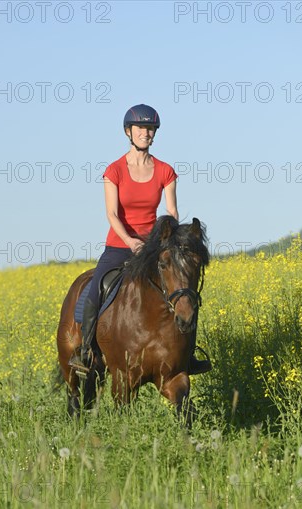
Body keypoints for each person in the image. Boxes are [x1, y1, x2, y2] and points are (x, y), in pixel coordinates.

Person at [76, 104, 211, 374]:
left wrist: (171, 241)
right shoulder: (114, 170)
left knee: (184, 290)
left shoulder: (165, 171)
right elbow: (112, 214)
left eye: (150, 129)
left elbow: (172, 212)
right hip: (119, 244)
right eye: (140, 128)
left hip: (154, 246)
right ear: (129, 132)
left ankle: (188, 356)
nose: (146, 133)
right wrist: (130, 241)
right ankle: (86, 351)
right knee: (94, 291)